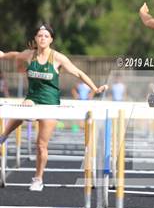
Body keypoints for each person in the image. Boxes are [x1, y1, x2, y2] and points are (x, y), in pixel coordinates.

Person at [0, 24, 107, 191]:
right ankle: (4, 135)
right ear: (35, 39)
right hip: (32, 100)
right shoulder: (29, 55)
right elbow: (16, 56)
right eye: (40, 36)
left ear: (51, 40)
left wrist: (95, 88)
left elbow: (78, 72)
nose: (42, 38)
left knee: (41, 145)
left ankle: (38, 178)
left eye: (46, 36)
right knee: (23, 106)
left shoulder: (57, 58)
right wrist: (3, 55)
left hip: (50, 105)